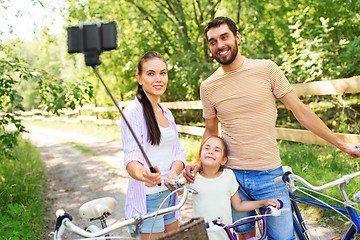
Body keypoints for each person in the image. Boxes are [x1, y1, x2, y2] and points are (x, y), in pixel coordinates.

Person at [183, 16, 360, 240]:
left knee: (283, 238)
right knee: (241, 237)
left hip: (270, 176)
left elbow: (302, 112)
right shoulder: (208, 86)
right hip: (231, 177)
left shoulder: (267, 69)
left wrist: (342, 145)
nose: (219, 45)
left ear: (237, 37)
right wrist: (199, 164)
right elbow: (210, 131)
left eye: (224, 37)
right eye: (212, 41)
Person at [120, 51, 186, 239]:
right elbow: (131, 158)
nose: (158, 79)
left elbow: (178, 152)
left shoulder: (166, 112)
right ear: (139, 78)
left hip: (170, 194)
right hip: (148, 198)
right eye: (151, 74)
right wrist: (144, 175)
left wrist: (174, 172)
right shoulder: (133, 111)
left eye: (162, 73)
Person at [190, 135, 280, 240]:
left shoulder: (228, 176)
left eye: (216, 150)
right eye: (206, 148)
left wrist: (264, 203)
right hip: (199, 236)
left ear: (224, 160)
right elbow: (175, 191)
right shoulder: (192, 178)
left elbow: (239, 205)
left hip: (224, 236)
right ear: (200, 155)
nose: (210, 152)